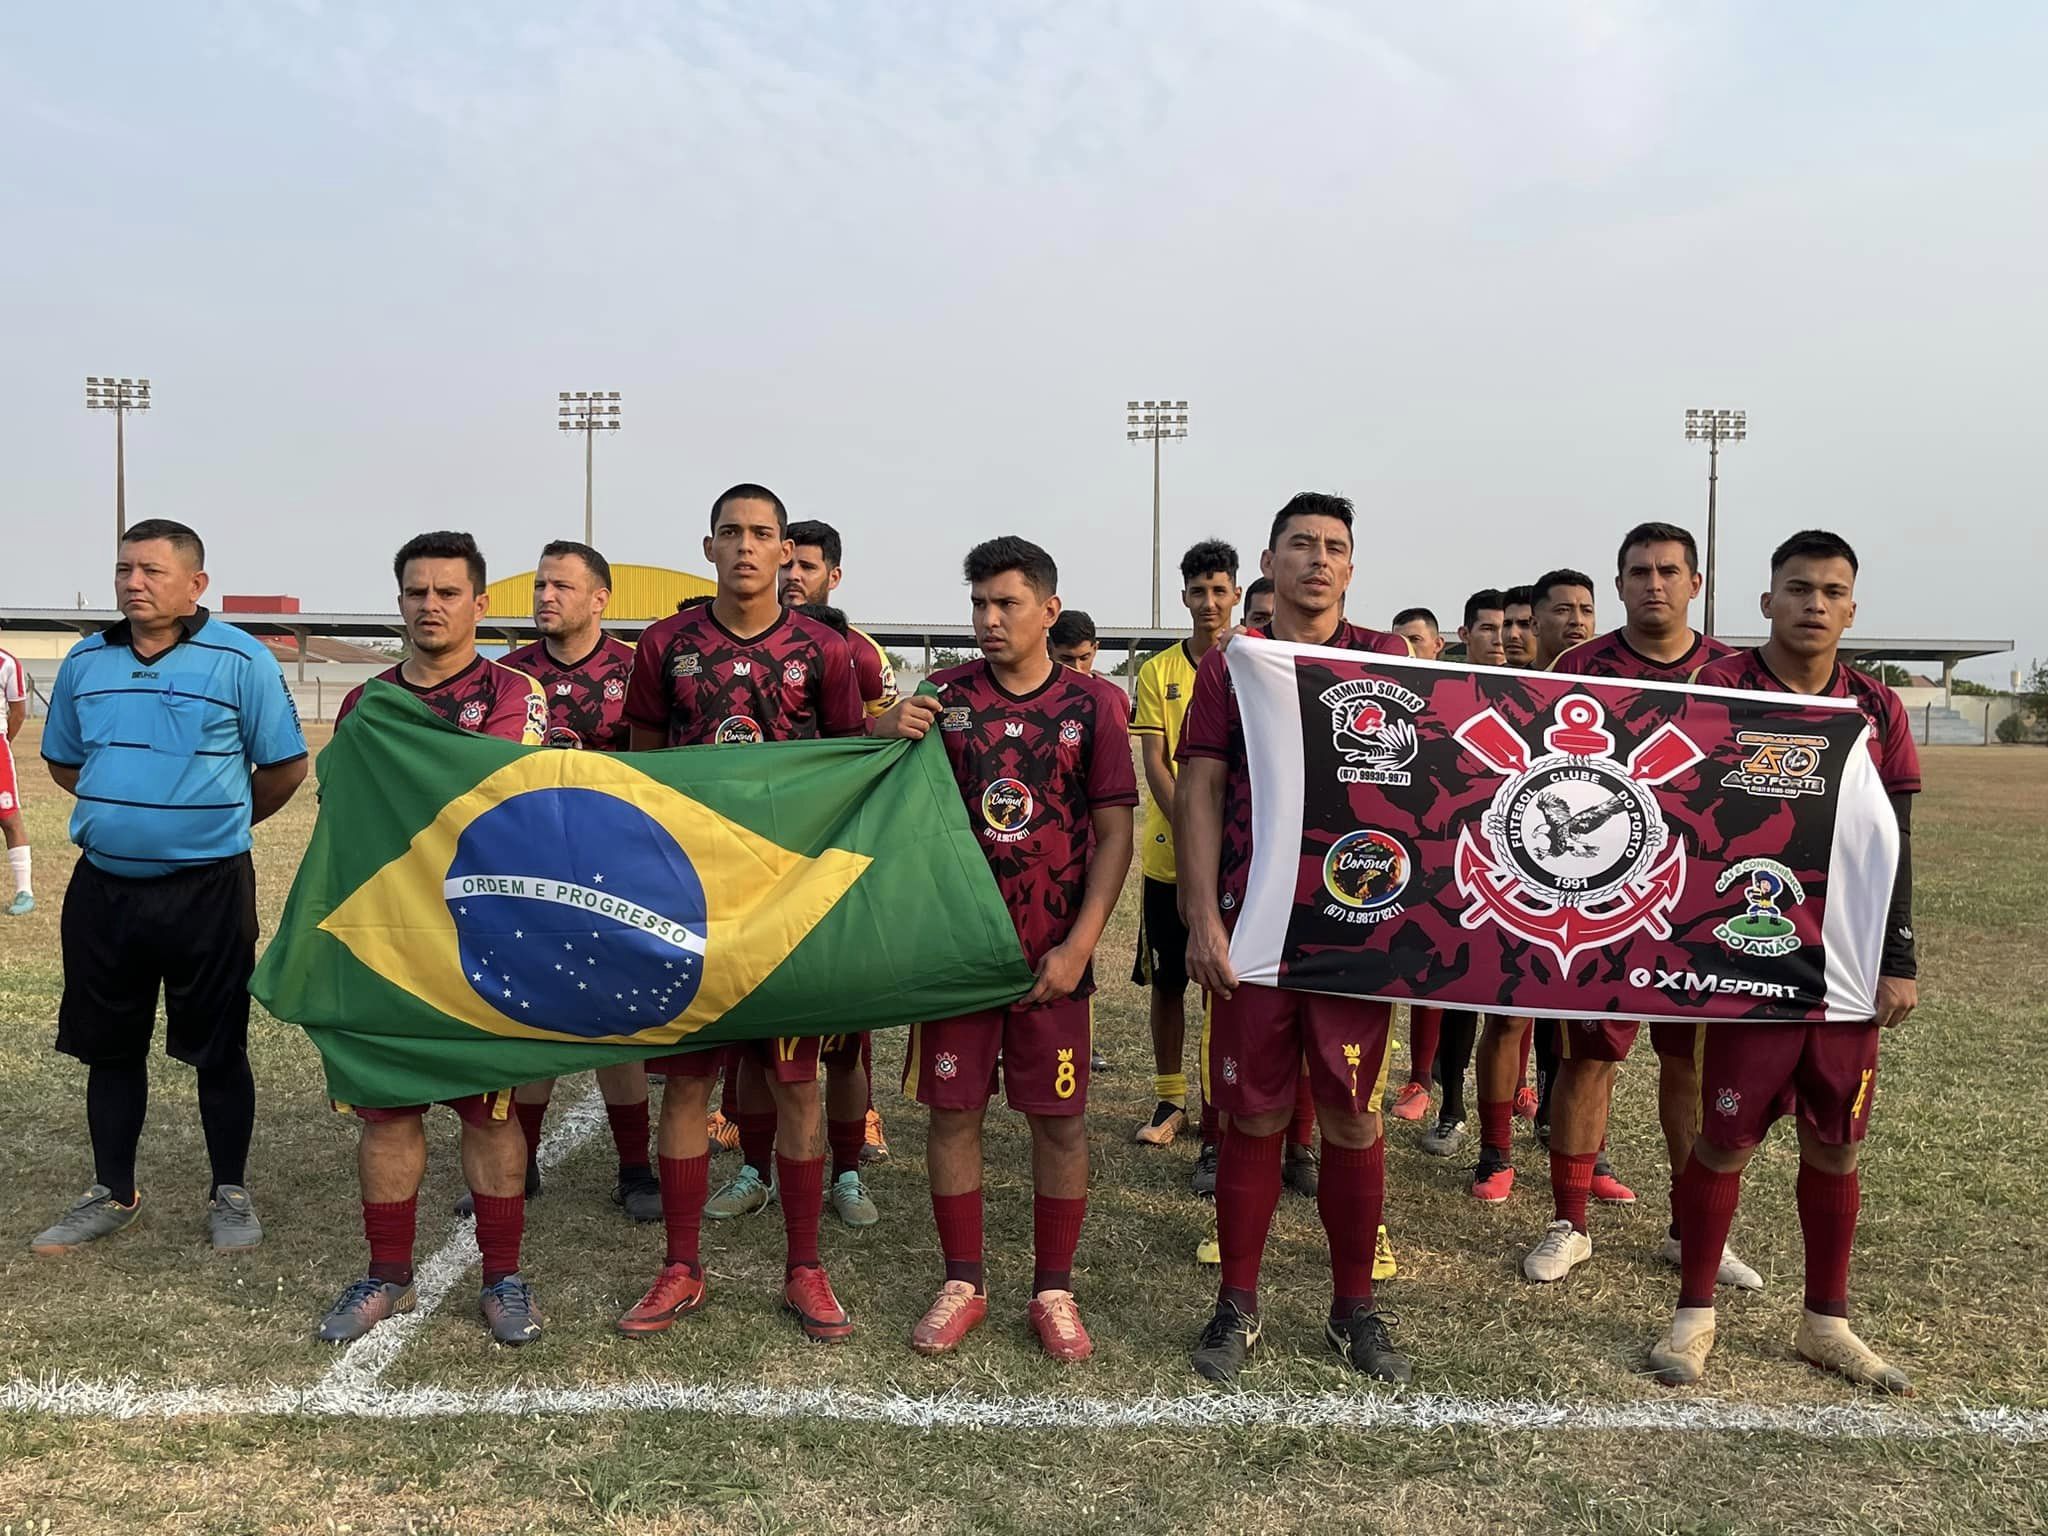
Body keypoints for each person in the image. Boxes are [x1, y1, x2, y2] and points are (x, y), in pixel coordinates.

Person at [613, 484, 936, 1344]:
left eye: (765, 535)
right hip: (690, 901)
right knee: (686, 1085)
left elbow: (844, 763)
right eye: (733, 534)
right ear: (709, 548)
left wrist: (885, 725)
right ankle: (681, 1267)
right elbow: (645, 773)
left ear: (787, 551)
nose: (749, 548)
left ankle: (805, 1267)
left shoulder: (822, 651)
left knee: (796, 1086)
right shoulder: (663, 645)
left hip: (786, 902)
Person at [1648, 529, 1920, 1393]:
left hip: (1842, 957)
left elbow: (1898, 838)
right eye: (1797, 588)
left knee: (1837, 1141)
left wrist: (1898, 953)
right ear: (1765, 601)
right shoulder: (1720, 688)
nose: (1813, 604)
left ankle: (1824, 1322)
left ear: (1851, 606)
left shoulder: (1876, 706)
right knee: (1725, 1137)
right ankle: (1694, 1314)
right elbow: (1676, 814)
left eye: (1831, 591)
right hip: (1747, 951)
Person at [1179, 492, 1414, 1387]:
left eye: (1336, 547)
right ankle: (1237, 1301)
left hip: (1356, 925)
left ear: (1352, 569)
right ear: (1268, 564)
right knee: (1256, 1113)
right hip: (1255, 925)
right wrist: (1202, 915)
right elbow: (1200, 790)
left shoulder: (1390, 662)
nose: (1319, 559)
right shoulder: (1232, 664)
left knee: (1353, 1114)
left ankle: (1353, 1306)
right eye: (1301, 545)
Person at [31, 518, 309, 1261]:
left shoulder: (240, 659)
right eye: (125, 569)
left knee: (218, 1047)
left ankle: (230, 1192)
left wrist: (213, 823)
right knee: (108, 1047)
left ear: (195, 585)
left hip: (209, 888)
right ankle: (112, 1191)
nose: (133, 583)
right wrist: (126, 811)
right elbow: (63, 761)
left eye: (152, 571)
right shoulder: (86, 662)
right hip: (105, 891)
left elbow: (284, 766)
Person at [906, 537, 1136, 1361]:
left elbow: (1115, 835)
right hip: (960, 956)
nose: (988, 619)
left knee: (1060, 1124)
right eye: (978, 604)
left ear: (1047, 608)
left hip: (1053, 959)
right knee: (952, 1112)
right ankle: (961, 1280)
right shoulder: (943, 697)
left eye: (1005, 604)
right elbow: (895, 800)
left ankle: (1054, 1287)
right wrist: (884, 726)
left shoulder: (1095, 706)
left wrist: (1081, 948)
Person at [318, 530, 547, 1345]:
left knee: (488, 1114)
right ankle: (387, 1276)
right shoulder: (364, 702)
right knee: (386, 1114)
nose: (431, 606)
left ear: (479, 604)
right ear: (401, 601)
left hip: (480, 941)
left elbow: (492, 798)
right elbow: (348, 817)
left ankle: (503, 1277)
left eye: (448, 592)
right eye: (417, 592)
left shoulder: (516, 693)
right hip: (390, 936)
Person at [1522, 526, 1757, 1286]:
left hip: (1697, 894)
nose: (1653, 583)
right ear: (1617, 586)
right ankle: (1570, 1220)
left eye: (1668, 571)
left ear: (1695, 581)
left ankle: (1695, 1229)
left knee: (1687, 1060)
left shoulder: (1734, 673)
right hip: (1604, 893)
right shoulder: (1580, 667)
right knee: (1587, 1056)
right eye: (1638, 572)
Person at [490, 541, 662, 1224]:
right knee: (529, 1017)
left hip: (613, 878)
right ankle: (520, 1161)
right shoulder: (506, 676)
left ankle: (634, 1167)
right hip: (526, 878)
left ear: (601, 600)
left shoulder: (634, 671)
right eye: (538, 585)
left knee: (612, 1023)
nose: (544, 597)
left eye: (561, 586)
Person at [1470, 569, 1631, 1205]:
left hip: (1597, 889)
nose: (1577, 621)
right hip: (1516, 875)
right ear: (1531, 624)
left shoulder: (1613, 690)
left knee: (1593, 1035)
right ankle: (1494, 1152)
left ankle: (1588, 1156)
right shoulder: (1502, 695)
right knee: (1508, 1020)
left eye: (1586, 609)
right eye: (1561, 610)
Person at [1130, 541, 1240, 1151]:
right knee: (1170, 980)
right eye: (1198, 592)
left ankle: (1221, 1098)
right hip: (1172, 858)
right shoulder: (1157, 671)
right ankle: (1171, 1095)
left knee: (1225, 987)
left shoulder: (1252, 662)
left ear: (1236, 595)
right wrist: (1202, 831)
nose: (1208, 602)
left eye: (1219, 590)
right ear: (1183, 598)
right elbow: (1156, 763)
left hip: (1240, 863)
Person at [0, 636, 31, 915]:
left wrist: (5, 740)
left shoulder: (7, 663)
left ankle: (24, 891)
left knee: (8, 818)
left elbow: (18, 712)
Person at [1501, 584, 1537, 668]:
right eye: (1507, 624)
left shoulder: (1567, 678)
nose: (1513, 634)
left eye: (1525, 625)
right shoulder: (1481, 679)